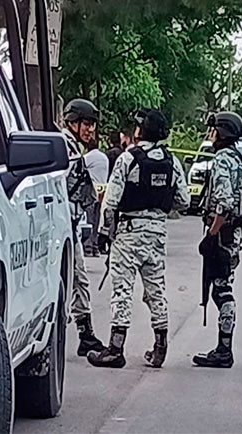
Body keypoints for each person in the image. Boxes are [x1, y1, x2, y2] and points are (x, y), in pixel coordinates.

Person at [87, 109, 190, 369]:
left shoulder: (128, 158)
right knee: (156, 290)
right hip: (157, 234)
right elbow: (184, 201)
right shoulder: (172, 161)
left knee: (122, 290)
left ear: (141, 130)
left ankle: (115, 349)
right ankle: (160, 347)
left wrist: (103, 233)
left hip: (129, 233)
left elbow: (110, 202)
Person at [193, 111, 242, 368]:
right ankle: (224, 347)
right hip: (236, 233)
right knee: (224, 284)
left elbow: (225, 202)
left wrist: (212, 233)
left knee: (221, 290)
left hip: (223, 233)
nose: (210, 134)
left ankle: (224, 350)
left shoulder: (222, 160)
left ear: (222, 132)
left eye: (213, 130)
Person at [62, 98, 106, 356]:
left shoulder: (72, 148)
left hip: (71, 224)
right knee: (75, 278)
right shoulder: (66, 148)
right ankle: (81, 333)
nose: (91, 129)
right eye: (87, 124)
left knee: (78, 278)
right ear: (73, 123)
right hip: (62, 226)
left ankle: (84, 333)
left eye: (92, 125)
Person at [83, 134, 110, 257]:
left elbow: (80, 168)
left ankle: (88, 247)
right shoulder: (104, 157)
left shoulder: (88, 157)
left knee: (89, 219)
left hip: (92, 190)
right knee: (97, 219)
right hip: (102, 190)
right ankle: (95, 246)